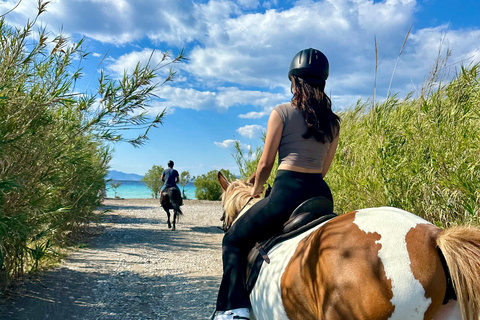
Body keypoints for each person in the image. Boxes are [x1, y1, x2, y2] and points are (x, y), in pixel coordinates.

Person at [212, 48, 341, 320]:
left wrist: (257, 189)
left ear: (294, 81)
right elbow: (324, 168)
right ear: (323, 82)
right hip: (320, 194)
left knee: (233, 240)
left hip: (287, 194)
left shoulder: (281, 112)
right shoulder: (333, 123)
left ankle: (233, 311)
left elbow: (265, 164)